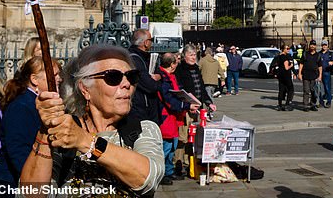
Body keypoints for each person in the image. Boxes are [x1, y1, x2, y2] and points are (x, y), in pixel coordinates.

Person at [20, 44, 164, 196]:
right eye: (113, 77)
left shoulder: (142, 129)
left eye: (131, 76)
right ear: (85, 89)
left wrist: (86, 141)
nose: (127, 84)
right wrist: (45, 130)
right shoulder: (65, 133)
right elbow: (30, 193)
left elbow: (147, 179)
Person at [0, 57, 62, 197]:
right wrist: (34, 180)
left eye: (59, 74)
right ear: (35, 79)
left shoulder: (33, 103)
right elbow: (18, 148)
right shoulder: (22, 106)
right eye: (54, 74)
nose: (59, 79)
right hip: (8, 183)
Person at [157, 53, 199, 186]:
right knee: (166, 147)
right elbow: (169, 100)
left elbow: (178, 91)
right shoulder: (162, 78)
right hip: (166, 116)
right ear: (172, 64)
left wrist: (187, 103)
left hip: (173, 116)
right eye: (177, 61)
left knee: (172, 145)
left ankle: (169, 171)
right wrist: (186, 105)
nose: (178, 63)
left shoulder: (169, 75)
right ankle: (162, 173)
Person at [174, 45, 216, 177]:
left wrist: (209, 102)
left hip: (197, 108)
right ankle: (178, 163)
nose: (193, 58)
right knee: (183, 137)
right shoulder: (180, 69)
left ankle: (189, 163)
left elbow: (201, 88)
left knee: (192, 137)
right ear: (184, 56)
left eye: (194, 55)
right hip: (186, 108)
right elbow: (179, 89)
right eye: (191, 55)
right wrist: (187, 102)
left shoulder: (196, 69)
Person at [128, 29, 162, 125]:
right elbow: (151, 86)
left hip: (144, 108)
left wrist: (159, 76)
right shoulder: (135, 59)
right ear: (146, 42)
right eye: (151, 40)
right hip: (140, 110)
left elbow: (158, 73)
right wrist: (158, 81)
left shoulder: (145, 57)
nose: (152, 42)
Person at [297, 39, 322, 112]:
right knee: (306, 91)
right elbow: (301, 64)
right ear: (309, 45)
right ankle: (305, 106)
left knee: (314, 91)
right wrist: (299, 73)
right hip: (306, 75)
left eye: (314, 45)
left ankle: (313, 105)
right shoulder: (305, 54)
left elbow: (320, 66)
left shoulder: (318, 55)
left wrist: (320, 76)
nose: (312, 46)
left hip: (314, 76)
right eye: (311, 45)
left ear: (315, 46)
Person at [275, 44, 295, 111]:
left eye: (289, 48)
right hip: (286, 75)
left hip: (280, 75)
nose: (288, 50)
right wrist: (291, 65)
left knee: (281, 90)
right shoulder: (285, 57)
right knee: (290, 89)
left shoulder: (278, 56)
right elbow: (286, 68)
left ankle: (280, 105)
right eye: (287, 48)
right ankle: (287, 104)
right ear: (283, 49)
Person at [318, 39, 333, 108]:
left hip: (326, 72)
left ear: (327, 46)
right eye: (323, 45)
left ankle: (329, 102)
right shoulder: (319, 53)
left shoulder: (330, 54)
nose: (324, 46)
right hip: (319, 72)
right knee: (319, 88)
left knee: (327, 87)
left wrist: (332, 62)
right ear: (321, 46)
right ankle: (321, 102)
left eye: (325, 45)